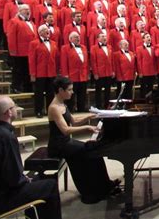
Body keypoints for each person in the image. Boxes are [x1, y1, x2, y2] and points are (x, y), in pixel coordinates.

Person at [0, 96, 74, 219]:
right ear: (8, 112)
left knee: (37, 180)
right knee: (50, 185)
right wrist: (24, 180)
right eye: (14, 106)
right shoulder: (5, 137)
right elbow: (13, 178)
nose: (16, 108)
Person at [47, 76, 120, 204]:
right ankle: (94, 191)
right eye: (69, 90)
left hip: (65, 142)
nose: (72, 92)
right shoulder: (54, 107)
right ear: (60, 90)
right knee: (92, 151)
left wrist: (91, 115)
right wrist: (87, 127)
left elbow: (73, 121)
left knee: (95, 151)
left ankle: (104, 186)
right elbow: (66, 130)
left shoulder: (61, 103)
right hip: (58, 145)